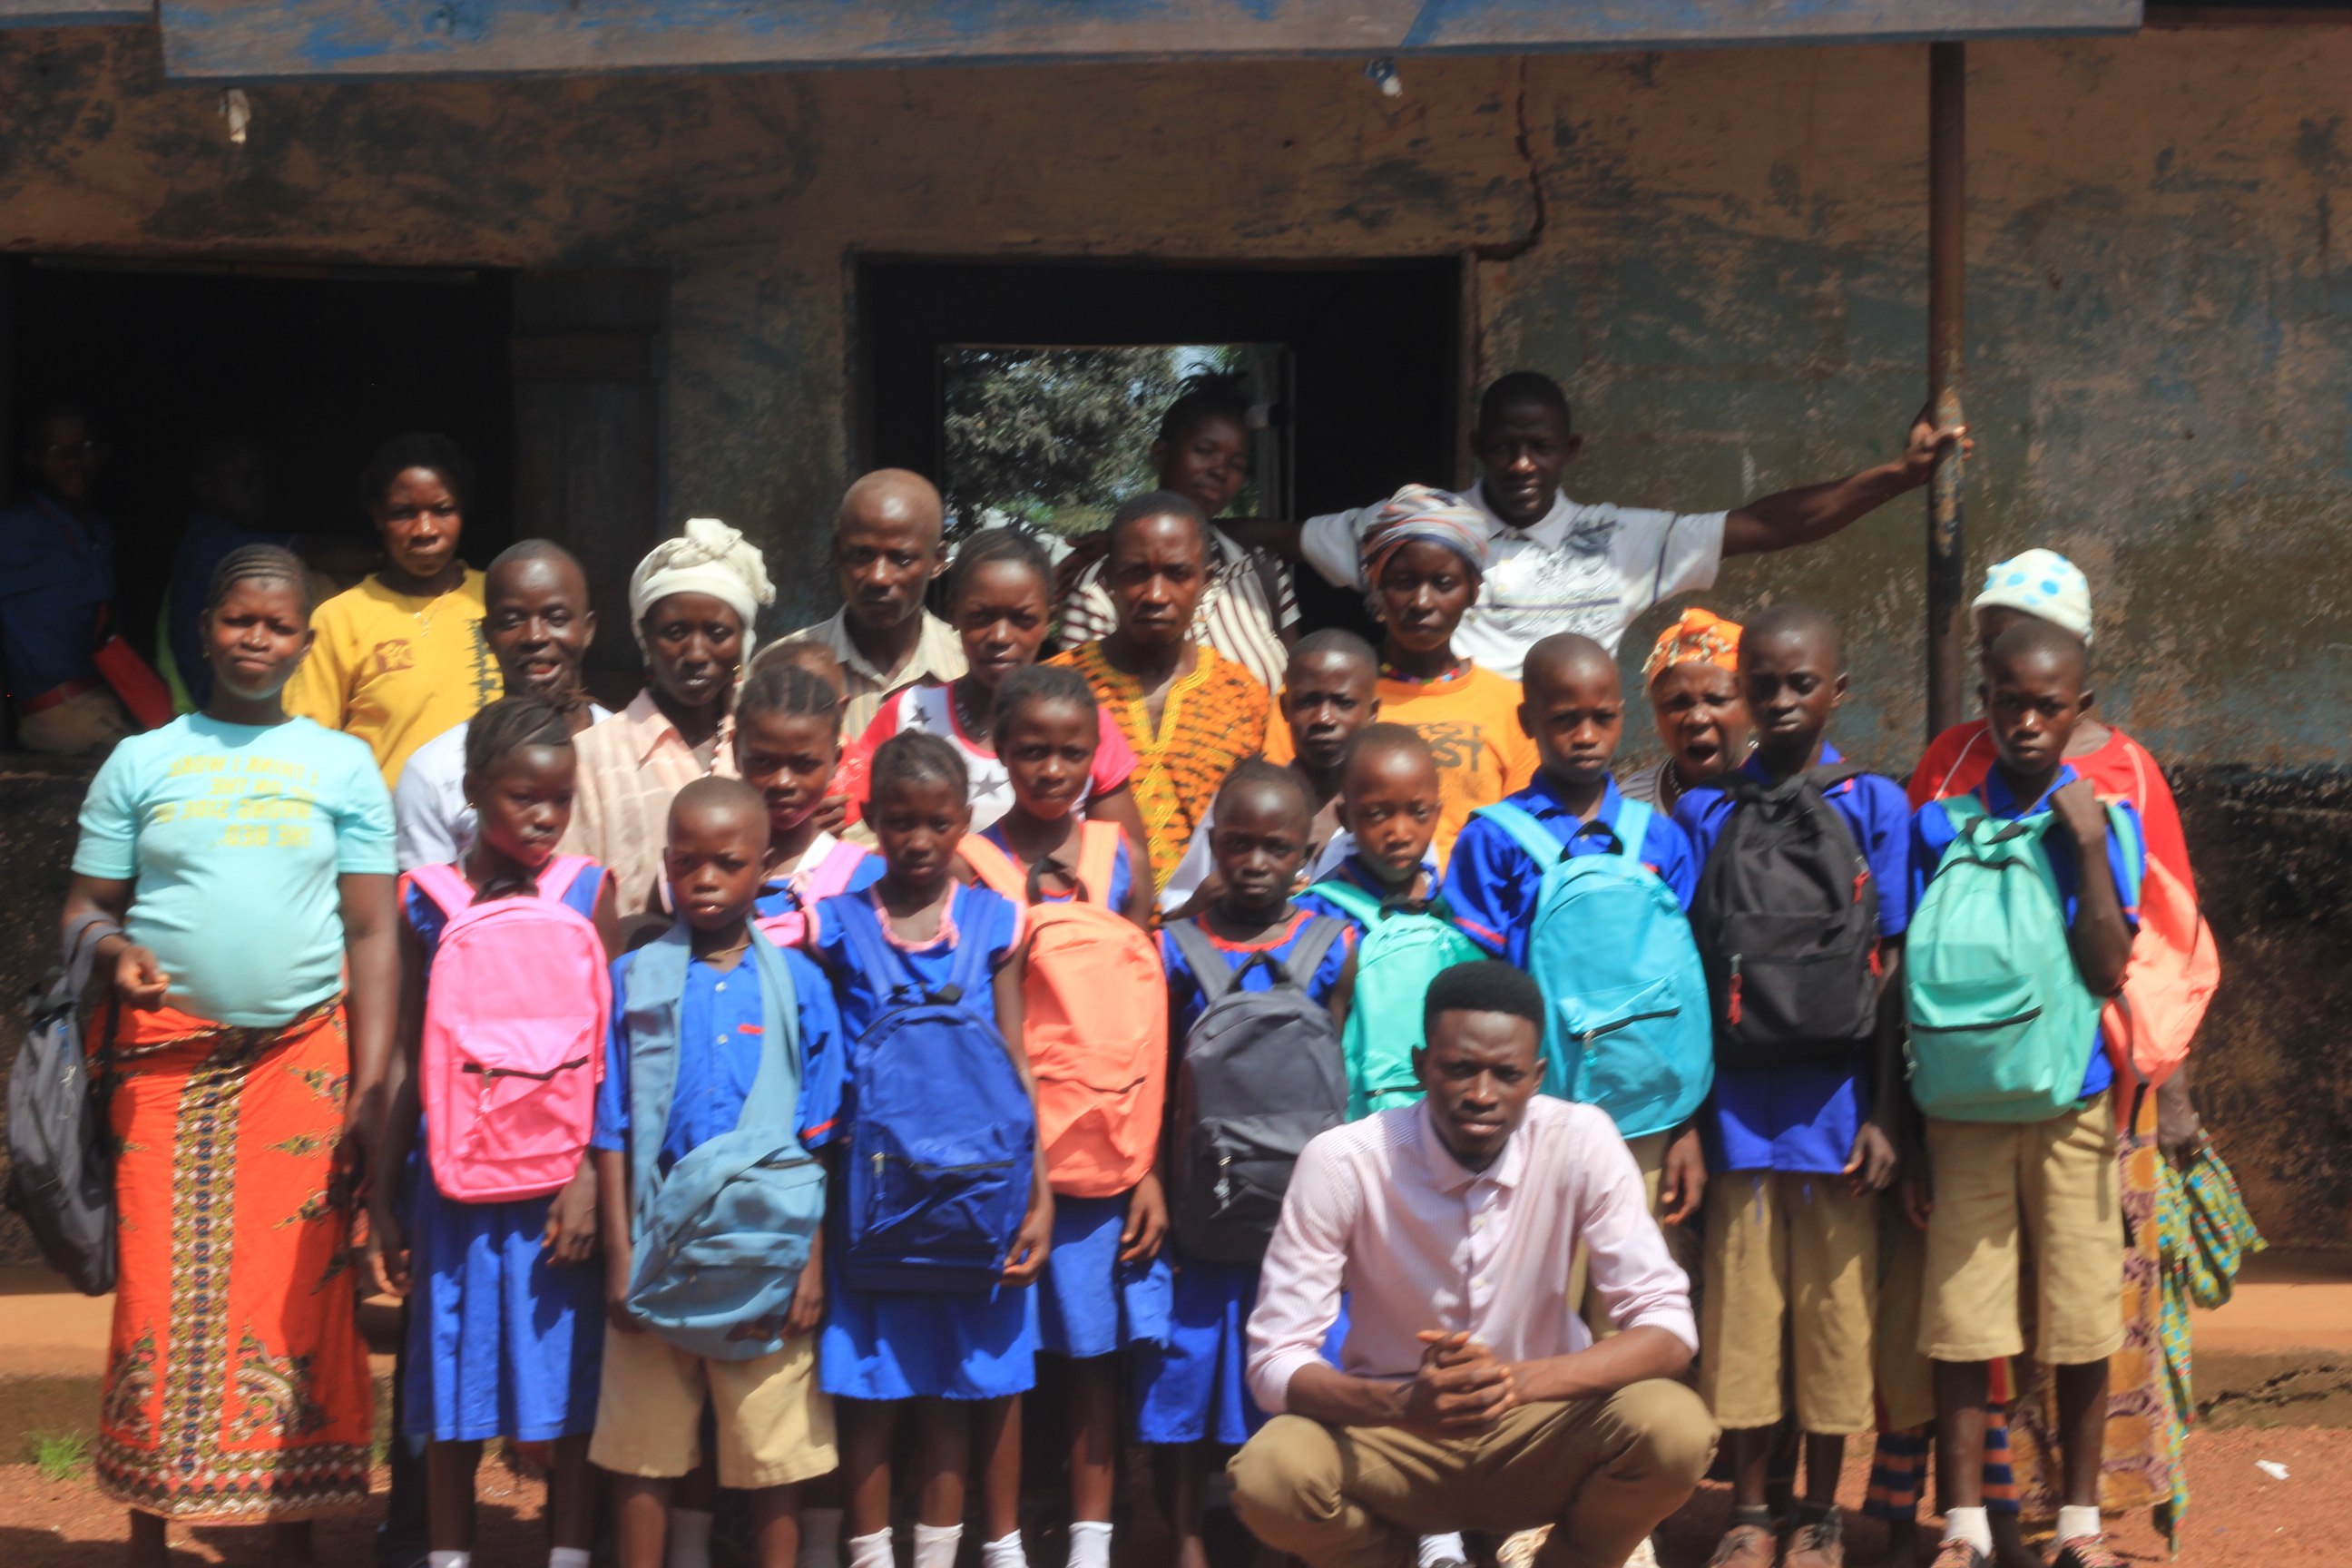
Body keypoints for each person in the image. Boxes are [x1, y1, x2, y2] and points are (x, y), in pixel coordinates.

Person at [61, 544, 397, 1563]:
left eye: (279, 624)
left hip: (300, 1062)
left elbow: (374, 934)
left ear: (304, 640)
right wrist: (113, 951)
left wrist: (372, 1084)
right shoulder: (142, 761)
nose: (258, 638)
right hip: (162, 1068)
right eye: (239, 620)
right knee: (157, 1296)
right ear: (205, 627)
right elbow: (82, 907)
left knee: (300, 1292)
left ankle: (288, 1534)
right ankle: (148, 1530)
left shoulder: (340, 764)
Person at [1894, 552, 2204, 1552]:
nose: (2025, 722)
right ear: (1984, 695)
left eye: (2046, 705)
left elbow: (2117, 964)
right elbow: (1901, 970)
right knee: (1962, 1323)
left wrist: (2081, 847)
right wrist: (1900, 1119)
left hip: (2075, 1101)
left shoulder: (2106, 811)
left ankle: (2077, 1522)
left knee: (2079, 1322)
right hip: (1964, 1109)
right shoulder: (1940, 815)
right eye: (2007, 700)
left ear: (2080, 707)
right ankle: (1967, 1524)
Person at [1228, 961, 1717, 1568]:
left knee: (1676, 1429)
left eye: (1506, 1074)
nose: (1482, 1094)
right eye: (1459, 1068)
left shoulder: (1581, 1140)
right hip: (1396, 1435)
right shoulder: (1342, 1163)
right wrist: (1403, 1405)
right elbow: (1276, 1360)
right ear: (1420, 1065)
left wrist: (1517, 1383)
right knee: (1270, 1474)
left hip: (1542, 1429)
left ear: (1537, 1077)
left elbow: (1670, 1329)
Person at [1670, 605, 1914, 1568]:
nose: (1777, 702)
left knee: (1831, 1320)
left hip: (1838, 1112)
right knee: (1741, 1320)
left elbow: (1889, 963)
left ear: (1838, 691)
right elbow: (1689, 970)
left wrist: (1888, 1114)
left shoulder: (1874, 805)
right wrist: (1691, 1118)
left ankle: (1819, 1510)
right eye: (1760, 684)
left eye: (1799, 683)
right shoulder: (1705, 808)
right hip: (1736, 1111)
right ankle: (1752, 1511)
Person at [363, 695, 622, 1568]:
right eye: (523, 798)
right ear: (474, 791)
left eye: (560, 798)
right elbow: (408, 1055)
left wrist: (591, 1174)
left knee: (570, 1386)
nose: (546, 818)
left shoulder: (590, 890)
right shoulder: (425, 902)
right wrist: (384, 1197)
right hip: (453, 1186)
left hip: (559, 1193)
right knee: (450, 1383)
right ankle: (447, 1552)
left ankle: (570, 1552)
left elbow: (608, 1055)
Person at [1231, 372, 1963, 679]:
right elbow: (1281, 538)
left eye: (1540, 447)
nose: (1521, 464)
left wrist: (1896, 476)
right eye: (1504, 447)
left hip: (1566, 779)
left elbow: (1771, 524)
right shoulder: (1421, 533)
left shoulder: (1623, 539)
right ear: (1477, 448)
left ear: (1567, 451)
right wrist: (1159, 532)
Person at [803, 733, 1053, 1568]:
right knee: (871, 1390)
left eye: (937, 823)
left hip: (978, 1196)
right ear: (868, 819)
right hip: (871, 1199)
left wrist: (1040, 1193)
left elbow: (1018, 1062)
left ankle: (941, 1553)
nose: (916, 840)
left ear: (964, 825)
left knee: (954, 1387)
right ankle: (871, 1553)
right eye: (899, 822)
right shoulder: (834, 925)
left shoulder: (994, 925)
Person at [589, 777, 846, 1568]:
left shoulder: (799, 983)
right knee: (644, 1448)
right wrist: (621, 1255)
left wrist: (810, 1261)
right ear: (666, 864)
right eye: (688, 863)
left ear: (763, 868)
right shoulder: (637, 980)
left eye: (726, 864)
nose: (704, 881)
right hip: (656, 1237)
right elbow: (612, 1125)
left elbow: (818, 1132)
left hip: (767, 1248)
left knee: (772, 1447)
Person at [955, 663, 1169, 1568]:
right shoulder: (966, 859)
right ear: (998, 751)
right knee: (1000, 1366)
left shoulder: (1117, 857)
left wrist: (1148, 1160)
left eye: (1072, 753)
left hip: (1101, 1157)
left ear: (1097, 757)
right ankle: (1000, 1541)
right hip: (1001, 1158)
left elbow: (1153, 1014)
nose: (1052, 769)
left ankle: (1091, 1541)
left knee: (1092, 1359)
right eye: (1032, 750)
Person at [1141, 761, 1357, 1568]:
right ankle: (1188, 1543)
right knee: (1187, 1382)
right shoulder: (1172, 948)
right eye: (1238, 844)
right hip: (1200, 1207)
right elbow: (1160, 1083)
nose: (1257, 862)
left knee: (1296, 1373)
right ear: (1212, 842)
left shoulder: (1336, 945)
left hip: (1301, 1213)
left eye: (1278, 847)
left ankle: (1284, 1539)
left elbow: (1338, 1078)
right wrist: (1153, 1180)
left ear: (1306, 853)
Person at [1268, 485, 1535, 869]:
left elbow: (1521, 836)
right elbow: (1279, 813)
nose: (1422, 602)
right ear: (1376, 585)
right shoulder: (1316, 701)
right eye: (1404, 582)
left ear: (1473, 591)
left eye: (1443, 583)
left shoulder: (1511, 707)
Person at [1908, 550, 2193, 892]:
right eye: (1987, 645)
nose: (1996, 659)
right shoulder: (1953, 754)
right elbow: (1907, 882)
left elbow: (2168, 906)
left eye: (2016, 641)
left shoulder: (2130, 770)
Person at [851, 527, 1149, 852]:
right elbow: (841, 823)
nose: (1000, 637)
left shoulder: (1087, 726)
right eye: (981, 617)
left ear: (1049, 621)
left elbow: (1123, 866)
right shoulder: (908, 714)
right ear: (953, 613)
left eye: (1023, 619)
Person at [1049, 492, 1269, 893]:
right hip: (1088, 931)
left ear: (1206, 579)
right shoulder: (1056, 691)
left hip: (1207, 942)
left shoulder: (1243, 695)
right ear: (1108, 579)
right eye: (1136, 573)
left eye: (1177, 573)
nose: (1155, 594)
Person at [565, 518, 774, 918]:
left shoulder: (765, 751)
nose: (695, 653)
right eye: (674, 632)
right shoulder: (589, 759)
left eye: (717, 632)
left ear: (742, 639)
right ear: (644, 635)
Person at [1056, 371, 1298, 691]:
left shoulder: (1261, 569)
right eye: (1205, 450)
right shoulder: (1098, 588)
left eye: (1236, 464)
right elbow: (1079, 711)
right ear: (1160, 455)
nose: (1219, 471)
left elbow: (1299, 689)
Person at [286, 434, 502, 785]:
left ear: (463, 509)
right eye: (403, 514)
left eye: (442, 510)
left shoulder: (498, 599)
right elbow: (309, 747)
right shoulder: (340, 619)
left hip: (492, 829)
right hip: (383, 832)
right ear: (377, 516)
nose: (425, 530)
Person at [394, 541, 612, 870]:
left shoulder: (630, 754)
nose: (535, 636)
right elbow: (429, 907)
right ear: (487, 635)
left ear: (587, 630)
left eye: (556, 617)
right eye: (512, 620)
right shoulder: (434, 772)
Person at [1159, 629, 1379, 916]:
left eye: (1343, 703)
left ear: (1372, 712)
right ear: (1285, 708)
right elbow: (1174, 915)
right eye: (1307, 701)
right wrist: (1218, 897)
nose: (1324, 718)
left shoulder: (1389, 811)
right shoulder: (1242, 801)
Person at [782, 469, 966, 737]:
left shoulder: (971, 669)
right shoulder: (783, 669)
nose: (878, 577)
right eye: (861, 554)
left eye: (901, 558)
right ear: (837, 552)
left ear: (937, 561)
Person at [1, 401, 132, 754]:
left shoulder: (100, 530)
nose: (72, 459)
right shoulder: (17, 531)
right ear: (32, 459)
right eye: (55, 449)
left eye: (83, 447)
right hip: (59, 712)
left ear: (102, 454)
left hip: (103, 698)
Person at [737, 660, 885, 945]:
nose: (783, 782)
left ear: (834, 763)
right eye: (763, 761)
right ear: (735, 751)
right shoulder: (701, 869)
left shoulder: (868, 878)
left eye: (805, 764)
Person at [1620, 608, 1751, 811]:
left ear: (1752, 707)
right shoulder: (1630, 806)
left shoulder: (1790, 793)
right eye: (1678, 703)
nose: (1698, 718)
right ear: (1656, 715)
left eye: (1717, 700)